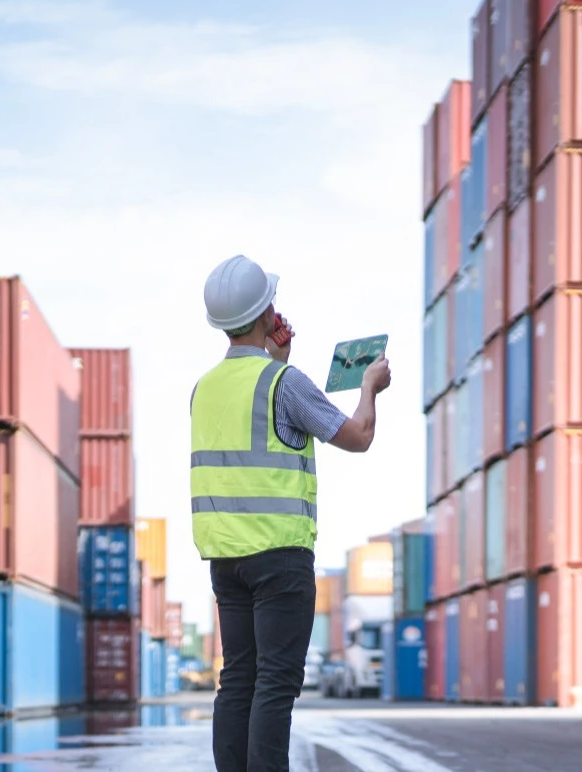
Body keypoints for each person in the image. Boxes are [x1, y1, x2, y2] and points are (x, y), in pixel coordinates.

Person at [191, 254, 391, 771]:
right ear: (267, 314)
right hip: (279, 558)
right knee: (276, 686)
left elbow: (250, 431)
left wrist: (274, 361)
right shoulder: (286, 383)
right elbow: (358, 437)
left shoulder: (204, 389)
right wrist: (369, 387)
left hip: (226, 561)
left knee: (238, 680)